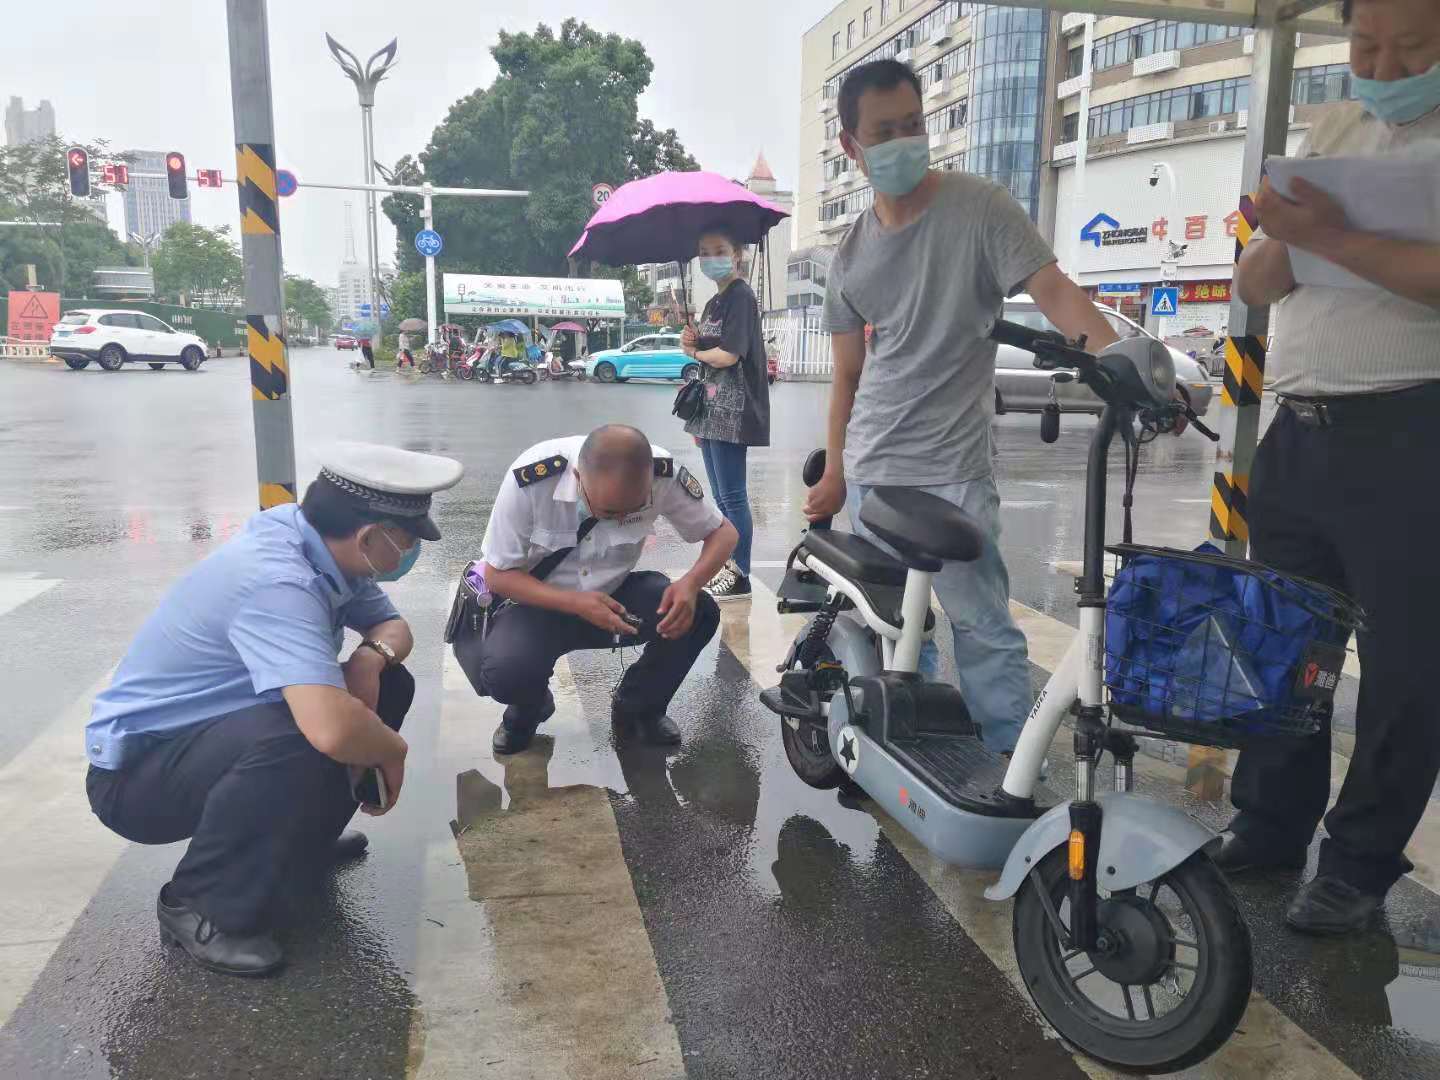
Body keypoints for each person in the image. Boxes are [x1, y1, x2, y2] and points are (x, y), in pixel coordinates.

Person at [802, 59, 1122, 755]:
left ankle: (1008, 757)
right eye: (884, 131)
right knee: (898, 626)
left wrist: (1123, 361)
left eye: (913, 125)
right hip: (874, 467)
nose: (904, 142)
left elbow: (1053, 289)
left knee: (981, 622)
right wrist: (834, 471)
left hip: (954, 467)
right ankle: (912, 742)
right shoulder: (849, 255)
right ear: (851, 147)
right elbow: (848, 378)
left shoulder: (981, 208)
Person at [1218, 0, 1440, 935]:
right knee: (1284, 645)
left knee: (1407, 667)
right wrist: (1284, 240)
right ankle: (1269, 824)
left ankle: (1357, 863)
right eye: (1365, 44)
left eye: (1414, 46)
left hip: (1412, 426)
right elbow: (1255, 281)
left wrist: (1327, 239)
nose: (1384, 64)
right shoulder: (1333, 125)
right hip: (1297, 427)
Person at [84, 443, 463, 976]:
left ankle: (298, 846)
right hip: (139, 777)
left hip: (223, 735)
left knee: (385, 687)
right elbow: (330, 730)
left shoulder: (321, 546)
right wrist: (393, 749)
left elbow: (393, 630)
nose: (410, 551)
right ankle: (198, 902)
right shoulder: (278, 579)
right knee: (306, 731)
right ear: (369, 537)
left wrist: (369, 660)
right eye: (406, 539)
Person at [454, 425, 737, 753]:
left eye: (635, 509)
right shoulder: (531, 478)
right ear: (578, 477)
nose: (623, 518)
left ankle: (639, 706)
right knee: (506, 671)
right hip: (537, 604)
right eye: (611, 512)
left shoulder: (664, 474)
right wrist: (574, 603)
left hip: (612, 600)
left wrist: (690, 584)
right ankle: (529, 708)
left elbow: (724, 534)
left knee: (698, 611)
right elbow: (498, 575)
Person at [680, 225, 771, 602]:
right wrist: (692, 339)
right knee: (720, 496)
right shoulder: (715, 302)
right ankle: (727, 565)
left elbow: (729, 355)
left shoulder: (741, 297)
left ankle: (741, 572)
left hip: (735, 410)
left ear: (736, 254)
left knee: (733, 497)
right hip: (711, 409)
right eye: (703, 251)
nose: (710, 258)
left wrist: (696, 353)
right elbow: (709, 345)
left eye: (718, 250)